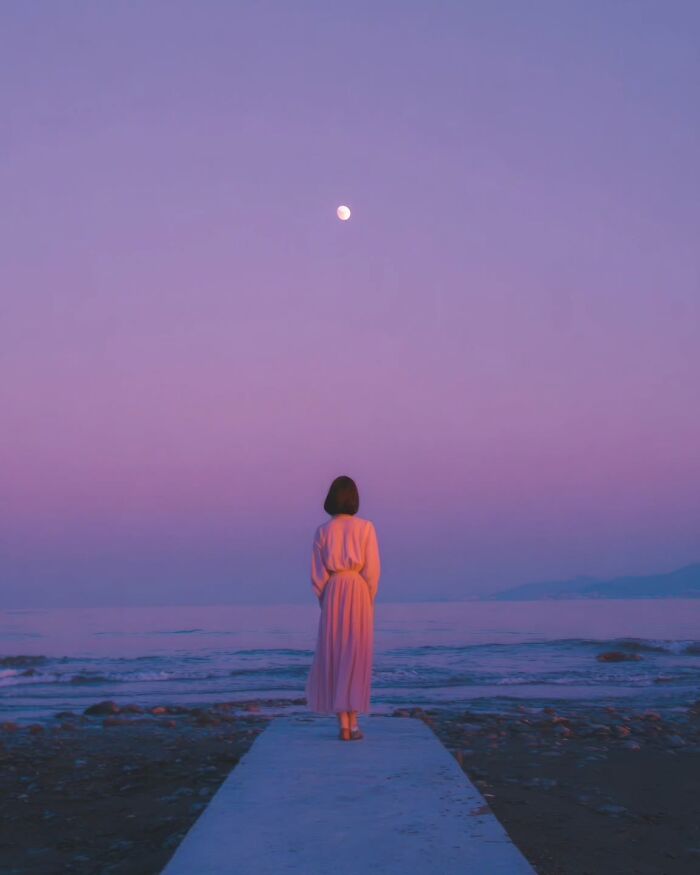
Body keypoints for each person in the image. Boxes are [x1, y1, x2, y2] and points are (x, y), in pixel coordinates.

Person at [304, 475, 381, 741]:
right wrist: (367, 599)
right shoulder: (366, 528)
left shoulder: (323, 531)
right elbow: (373, 571)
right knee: (356, 654)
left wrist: (326, 600)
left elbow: (317, 576)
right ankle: (355, 724)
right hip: (357, 588)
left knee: (334, 653)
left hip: (334, 589)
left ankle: (343, 725)